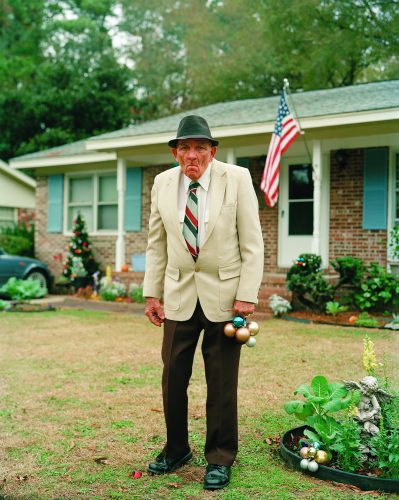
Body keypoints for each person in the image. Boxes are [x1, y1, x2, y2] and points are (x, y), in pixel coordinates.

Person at [143, 115, 264, 490]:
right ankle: (177, 448)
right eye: (184, 147)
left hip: (225, 298)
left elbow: (252, 243)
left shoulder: (238, 179)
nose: (191, 154)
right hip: (179, 295)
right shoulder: (162, 183)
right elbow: (156, 243)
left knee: (222, 382)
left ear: (212, 151)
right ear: (176, 152)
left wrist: (246, 294)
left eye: (199, 147)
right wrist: (152, 291)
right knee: (172, 378)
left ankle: (220, 457)